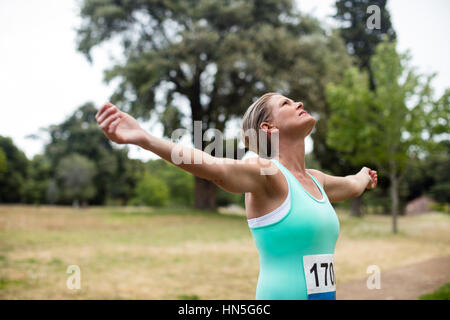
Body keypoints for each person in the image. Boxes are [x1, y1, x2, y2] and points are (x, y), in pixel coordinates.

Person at [95, 92, 377, 300]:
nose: (299, 103)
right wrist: (145, 139)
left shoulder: (316, 180)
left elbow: (352, 185)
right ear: (269, 128)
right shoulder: (267, 174)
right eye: (286, 104)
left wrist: (364, 176)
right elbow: (216, 167)